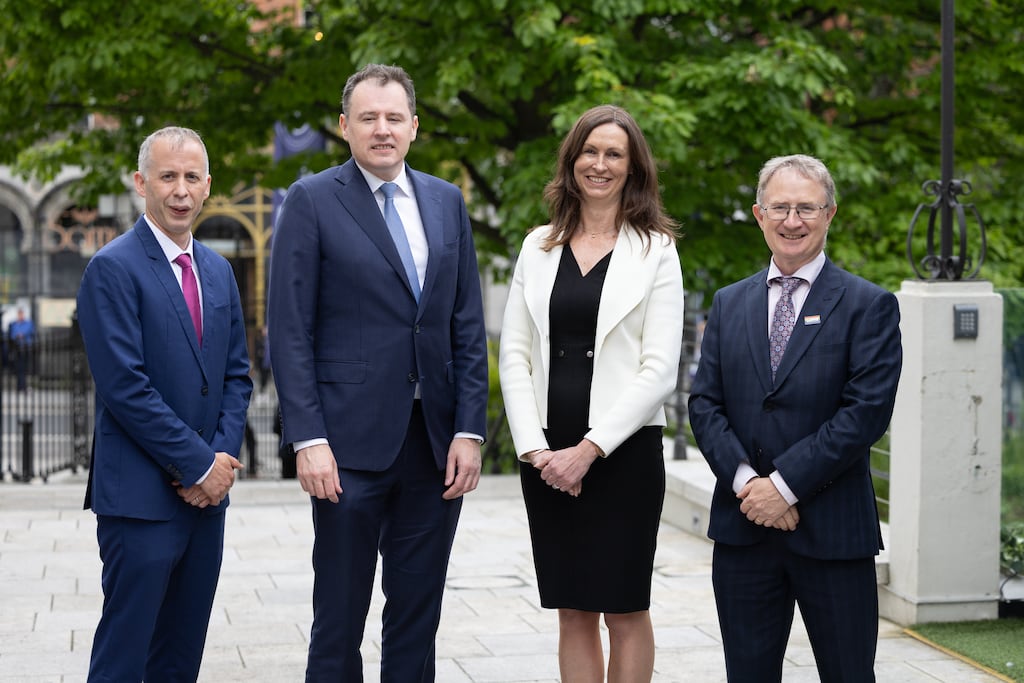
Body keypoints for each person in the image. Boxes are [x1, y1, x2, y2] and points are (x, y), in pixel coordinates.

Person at [267, 63, 488, 681]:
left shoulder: (446, 201)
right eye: (369, 118)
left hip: (433, 448)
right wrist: (308, 441)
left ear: (414, 126)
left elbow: (464, 325)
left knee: (417, 621)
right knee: (338, 618)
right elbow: (289, 331)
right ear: (345, 127)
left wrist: (469, 430)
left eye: (394, 118)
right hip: (344, 449)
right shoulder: (311, 199)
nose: (382, 129)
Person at [687, 154, 902, 682]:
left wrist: (782, 487)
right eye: (780, 207)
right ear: (759, 215)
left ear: (830, 214)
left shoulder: (868, 305)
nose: (792, 220)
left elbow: (864, 414)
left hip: (833, 534)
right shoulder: (729, 302)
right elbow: (704, 404)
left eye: (806, 207)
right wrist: (749, 486)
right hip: (744, 533)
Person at [498, 104, 685, 682]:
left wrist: (589, 450)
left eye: (614, 154)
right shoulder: (537, 246)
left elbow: (660, 370)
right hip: (547, 457)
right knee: (572, 609)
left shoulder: (657, 249)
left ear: (633, 168)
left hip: (622, 455)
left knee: (625, 608)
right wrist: (535, 450)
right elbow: (514, 354)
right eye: (589, 151)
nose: (599, 164)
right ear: (572, 159)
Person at [76, 126, 253, 682]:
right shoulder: (112, 268)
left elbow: (236, 377)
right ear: (141, 183)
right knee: (125, 657)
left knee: (180, 657)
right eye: (167, 176)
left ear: (207, 188)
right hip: (140, 502)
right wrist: (198, 465)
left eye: (191, 178)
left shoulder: (220, 271)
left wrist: (219, 465)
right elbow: (125, 387)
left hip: (206, 503)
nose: (180, 190)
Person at [8, 307, 35, 391]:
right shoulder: (14, 324)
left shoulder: (28, 323)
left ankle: (23, 386)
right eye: (19, 314)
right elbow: (12, 335)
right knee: (19, 368)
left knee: (25, 367)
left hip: (26, 348)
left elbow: (30, 331)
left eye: (21, 313)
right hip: (17, 348)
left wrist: (21, 334)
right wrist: (19, 335)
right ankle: (20, 386)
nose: (20, 315)